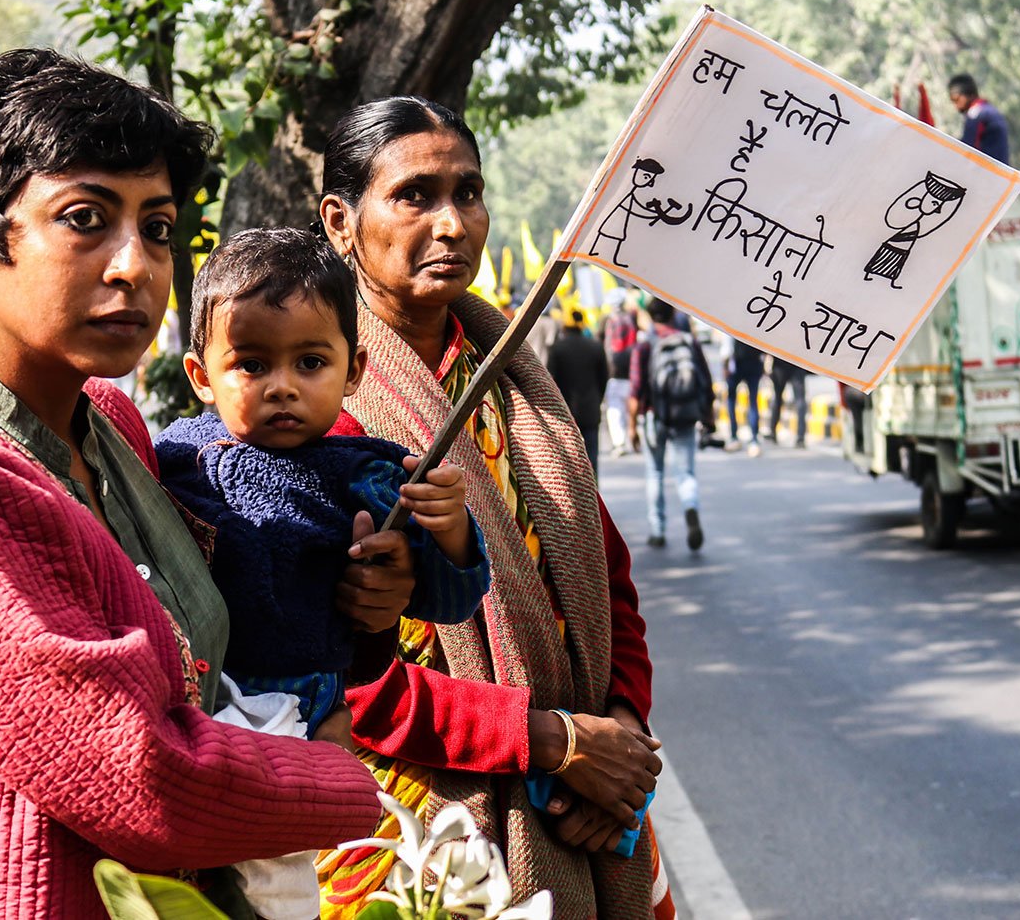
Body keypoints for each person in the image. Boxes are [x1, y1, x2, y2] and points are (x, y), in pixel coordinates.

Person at [0, 49, 395, 919]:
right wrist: (344, 772)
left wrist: (362, 601)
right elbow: (144, 776)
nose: (137, 265)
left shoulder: (116, 429)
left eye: (158, 228)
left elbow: (216, 651)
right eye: (86, 218)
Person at [317, 95, 670, 918]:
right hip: (415, 839)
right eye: (415, 195)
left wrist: (614, 735)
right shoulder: (318, 406)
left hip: (585, 810)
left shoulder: (519, 387)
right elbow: (338, 677)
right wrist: (551, 743)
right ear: (341, 222)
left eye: (467, 192)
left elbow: (606, 582)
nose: (452, 222)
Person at [157, 226, 489, 736]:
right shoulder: (172, 458)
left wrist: (450, 530)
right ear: (202, 377)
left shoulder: (369, 474)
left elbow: (448, 602)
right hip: (193, 698)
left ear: (352, 371)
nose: (282, 387)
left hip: (309, 705)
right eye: (251, 365)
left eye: (310, 363)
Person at [628, 299, 711, 551]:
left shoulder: (644, 346)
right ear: (673, 314)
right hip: (685, 415)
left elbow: (635, 390)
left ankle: (658, 529)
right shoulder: (689, 342)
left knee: (655, 473)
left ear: (651, 316)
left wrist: (632, 427)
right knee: (686, 473)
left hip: (655, 417)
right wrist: (709, 418)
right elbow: (706, 384)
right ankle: (690, 508)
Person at [547, 307, 610, 473]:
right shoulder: (595, 347)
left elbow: (550, 381)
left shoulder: (558, 349)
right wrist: (597, 399)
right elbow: (604, 379)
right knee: (591, 462)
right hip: (590, 411)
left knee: (568, 465)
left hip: (564, 414)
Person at [600, 292, 639, 457]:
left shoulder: (609, 320)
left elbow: (604, 345)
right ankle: (629, 437)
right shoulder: (631, 319)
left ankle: (620, 442)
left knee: (615, 409)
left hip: (613, 371)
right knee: (625, 407)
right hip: (630, 370)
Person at [948, 73, 1010, 166]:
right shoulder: (989, 110)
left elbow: (966, 149)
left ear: (969, 94)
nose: (956, 106)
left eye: (957, 99)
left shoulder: (976, 115)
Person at [722, 334, 764, 456]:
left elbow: (727, 345)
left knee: (731, 400)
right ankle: (754, 438)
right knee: (753, 402)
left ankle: (734, 435)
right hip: (754, 363)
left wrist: (725, 366)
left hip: (737, 364)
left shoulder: (734, 319)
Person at [765, 354, 808, 448]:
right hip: (797, 362)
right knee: (799, 401)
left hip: (782, 362)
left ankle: (772, 432)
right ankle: (800, 437)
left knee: (778, 399)